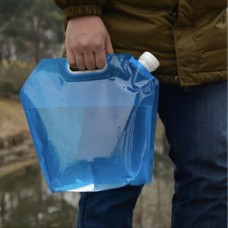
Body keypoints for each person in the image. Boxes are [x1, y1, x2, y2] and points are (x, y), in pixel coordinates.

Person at [53, 1, 227, 227]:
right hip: (117, 45)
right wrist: (81, 9)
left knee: (210, 184)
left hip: (207, 43)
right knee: (109, 190)